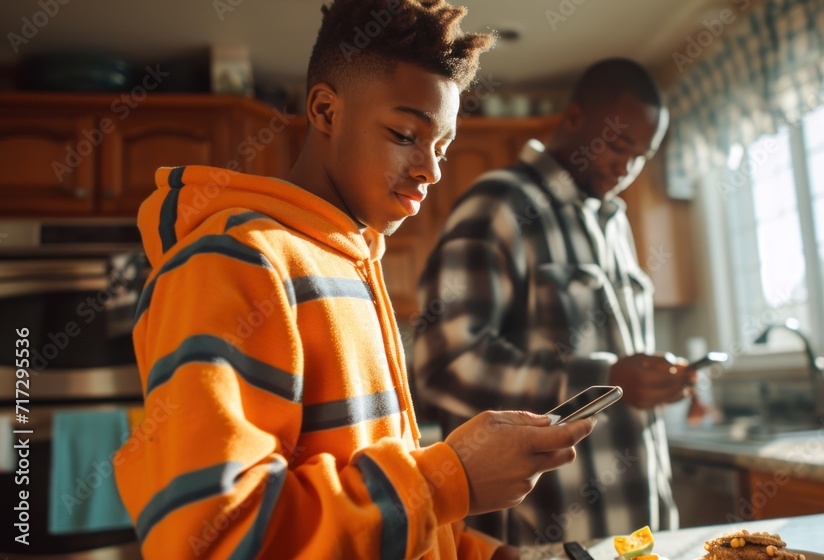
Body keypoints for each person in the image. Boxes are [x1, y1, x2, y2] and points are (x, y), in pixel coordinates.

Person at [112, 1, 596, 558]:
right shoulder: (234, 261)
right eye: (404, 134)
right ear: (324, 110)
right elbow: (218, 537)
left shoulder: (352, 264)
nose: (431, 169)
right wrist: (448, 478)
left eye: (442, 147)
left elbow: (384, 514)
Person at [412, 58, 693, 545]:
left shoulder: (615, 222)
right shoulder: (497, 206)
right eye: (618, 146)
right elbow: (444, 363)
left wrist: (653, 381)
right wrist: (604, 379)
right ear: (575, 119)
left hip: (638, 531)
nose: (625, 168)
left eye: (640, 156)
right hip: (542, 538)